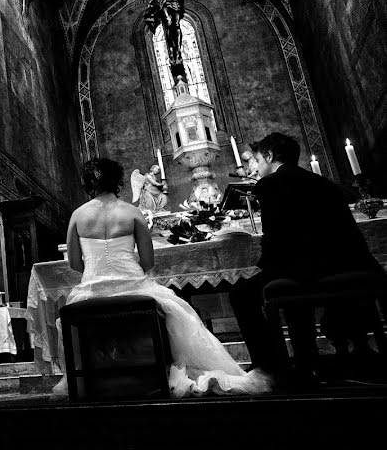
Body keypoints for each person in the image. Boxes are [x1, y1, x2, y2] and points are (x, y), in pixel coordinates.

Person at [54, 158, 271, 398]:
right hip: (134, 287)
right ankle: (156, 371)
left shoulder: (77, 215)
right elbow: (148, 262)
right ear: (117, 181)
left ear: (87, 183)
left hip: (91, 292)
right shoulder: (132, 212)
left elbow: (74, 262)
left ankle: (103, 376)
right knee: (176, 310)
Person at [229, 132, 385, 386]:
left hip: (305, 268)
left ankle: (271, 368)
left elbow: (276, 239)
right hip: (351, 263)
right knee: (285, 277)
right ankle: (309, 361)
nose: (255, 167)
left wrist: (266, 269)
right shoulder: (324, 182)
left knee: (243, 293)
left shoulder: (269, 185)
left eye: (257, 159)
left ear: (269, 156)